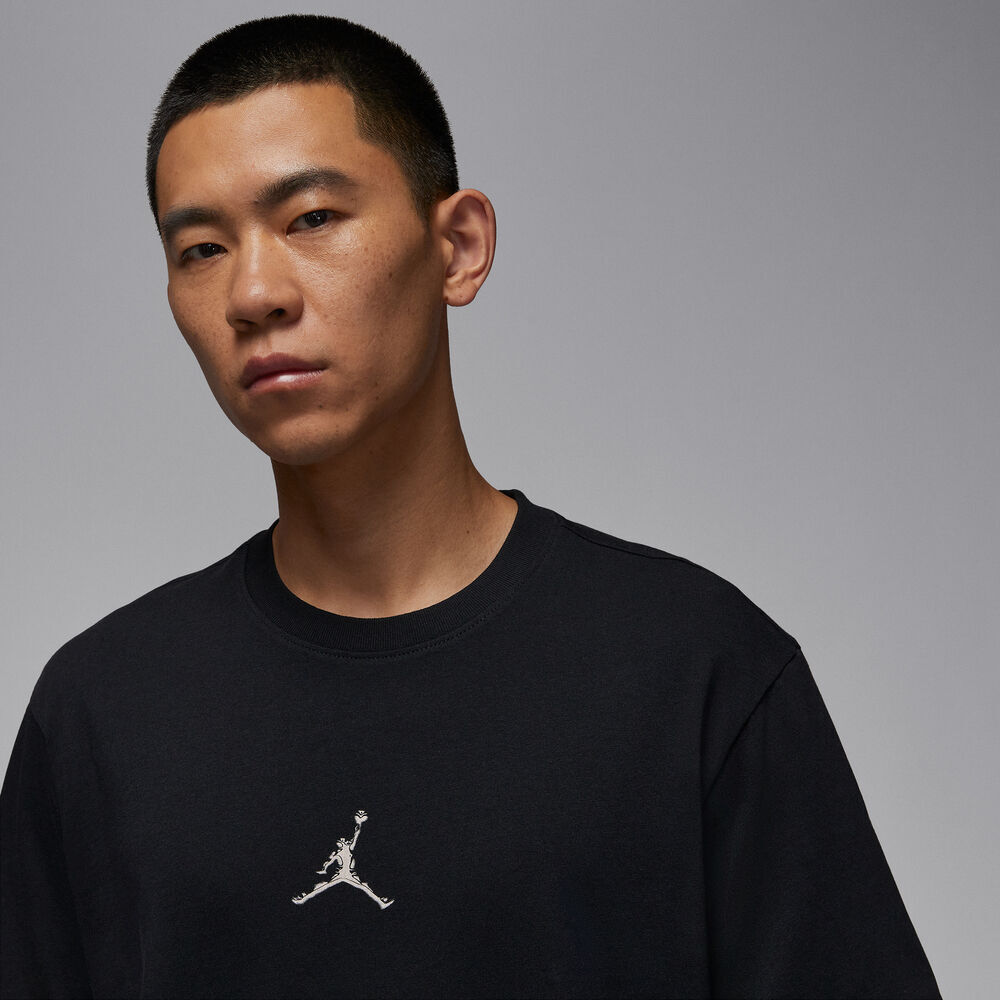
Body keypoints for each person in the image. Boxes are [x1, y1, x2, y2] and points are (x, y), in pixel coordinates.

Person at [0, 14, 940, 999]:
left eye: (311, 218)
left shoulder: (695, 670)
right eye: (200, 248)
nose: (254, 291)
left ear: (458, 247)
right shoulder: (101, 713)